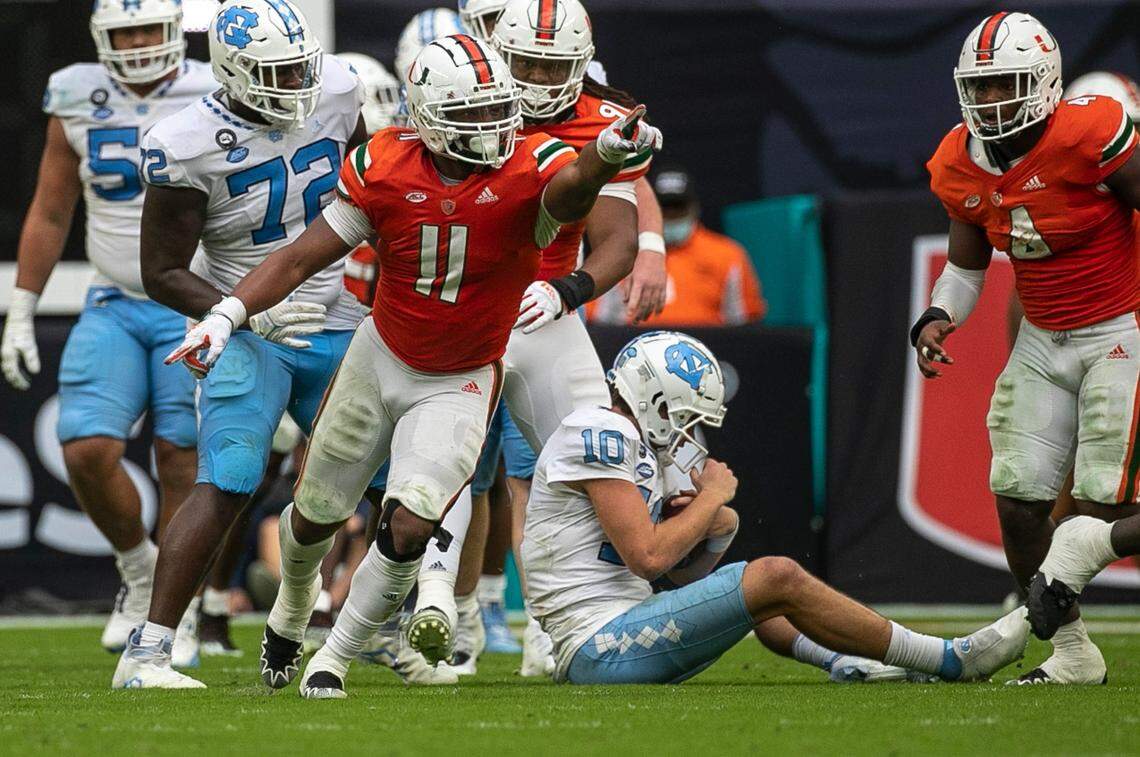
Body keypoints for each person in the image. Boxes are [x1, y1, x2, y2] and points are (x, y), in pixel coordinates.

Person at [159, 32, 661, 699]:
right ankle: (292, 602)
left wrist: (603, 156)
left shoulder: (531, 162)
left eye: (497, 109)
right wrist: (227, 314)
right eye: (472, 113)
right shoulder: (384, 164)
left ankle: (333, 657)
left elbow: (569, 192)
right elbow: (300, 257)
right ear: (426, 117)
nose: (491, 126)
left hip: (462, 376)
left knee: (414, 521)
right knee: (315, 512)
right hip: (380, 358)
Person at [111, 0, 376, 690]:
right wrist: (246, 317)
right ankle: (150, 650)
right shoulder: (185, 141)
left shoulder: (340, 89)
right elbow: (161, 273)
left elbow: (375, 191)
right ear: (232, 72)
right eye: (277, 73)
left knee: (392, 478)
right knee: (229, 477)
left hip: (339, 317)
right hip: (247, 329)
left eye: (301, 69)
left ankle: (375, 628)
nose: (297, 85)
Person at [522, 330, 1029, 684]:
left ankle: (848, 661)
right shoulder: (600, 430)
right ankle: (945, 659)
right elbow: (649, 559)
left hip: (623, 632)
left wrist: (717, 521)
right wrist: (712, 498)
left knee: (756, 591)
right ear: (654, 403)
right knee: (774, 576)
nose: (685, 433)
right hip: (597, 645)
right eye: (683, 417)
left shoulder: (633, 445)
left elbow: (681, 576)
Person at [914, 12, 1140, 684]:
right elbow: (965, 267)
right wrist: (938, 315)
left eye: (1004, 84)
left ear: (1044, 80)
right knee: (1018, 499)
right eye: (979, 87)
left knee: (1103, 504)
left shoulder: (1090, 130)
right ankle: (1071, 653)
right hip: (1044, 338)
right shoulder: (956, 160)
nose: (990, 100)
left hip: (1122, 327)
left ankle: (1077, 560)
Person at [0, 0, 214, 658]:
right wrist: (22, 307)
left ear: (176, 30)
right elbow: (50, 209)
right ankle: (140, 569)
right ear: (101, 39)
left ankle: (175, 611)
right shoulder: (76, 93)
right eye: (126, 33)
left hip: (195, 301)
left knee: (181, 457)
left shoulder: (215, 90)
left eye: (150, 28)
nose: (141, 42)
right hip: (113, 298)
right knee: (85, 448)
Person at [588, 165, 766, 326]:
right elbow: (599, 318)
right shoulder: (621, 253)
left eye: (678, 208)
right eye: (664, 209)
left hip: (707, 346)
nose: (671, 215)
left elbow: (745, 322)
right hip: (633, 345)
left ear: (694, 209)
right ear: (650, 209)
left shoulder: (727, 254)